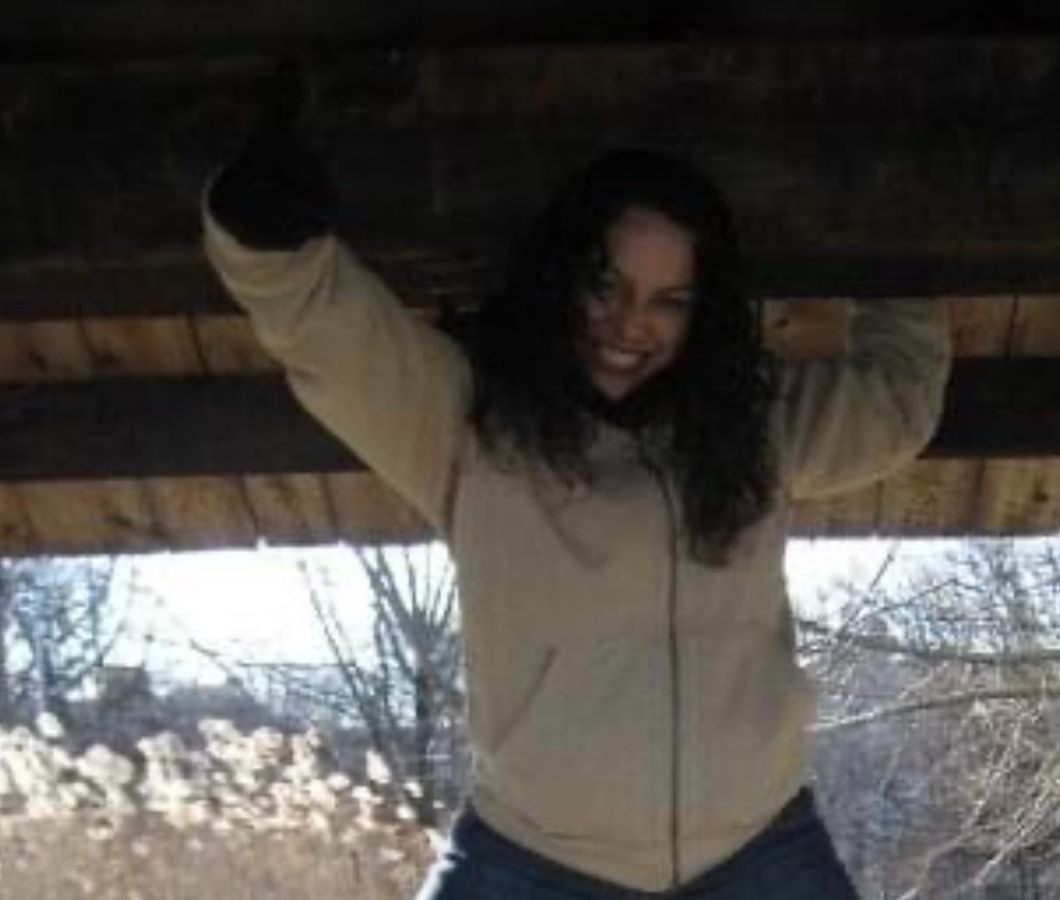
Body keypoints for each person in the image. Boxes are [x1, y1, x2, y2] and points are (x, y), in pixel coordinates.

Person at [202, 60, 951, 899]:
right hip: (534, 861)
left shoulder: (754, 429)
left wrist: (894, 227)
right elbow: (329, 334)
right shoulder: (470, 427)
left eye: (669, 300)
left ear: (703, 314)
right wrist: (263, 236)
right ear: (560, 277)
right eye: (607, 286)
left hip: (755, 851)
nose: (632, 324)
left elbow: (895, 400)